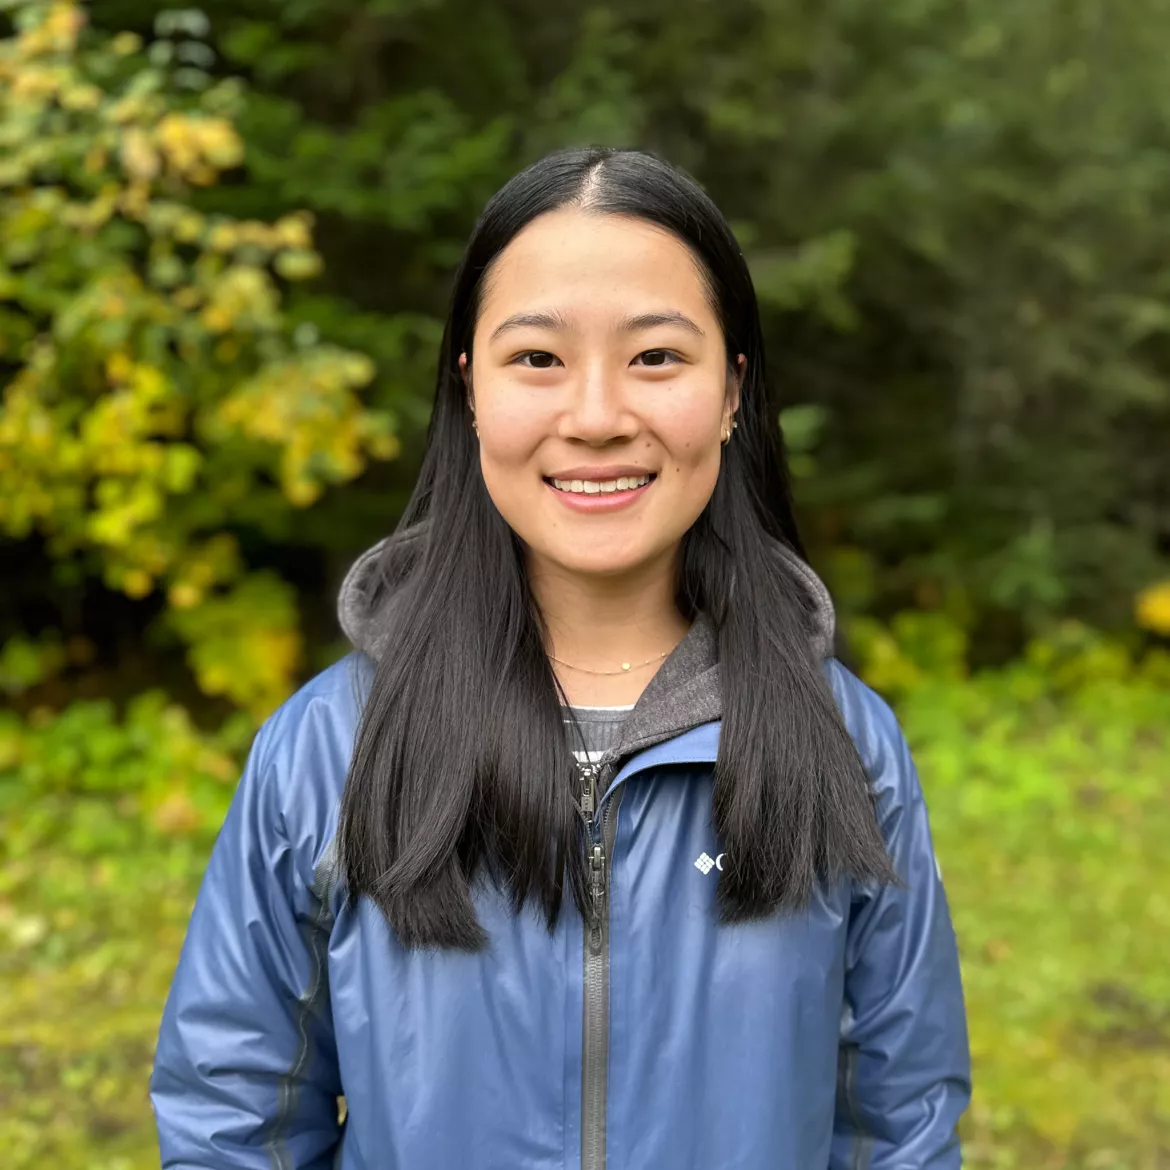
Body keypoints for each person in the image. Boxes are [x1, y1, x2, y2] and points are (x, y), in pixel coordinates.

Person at [149, 146, 971, 1169]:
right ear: (470, 390)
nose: (595, 417)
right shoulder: (328, 747)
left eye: (656, 358)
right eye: (537, 358)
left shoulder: (847, 743)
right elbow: (236, 1118)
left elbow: (903, 1125)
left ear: (731, 393)